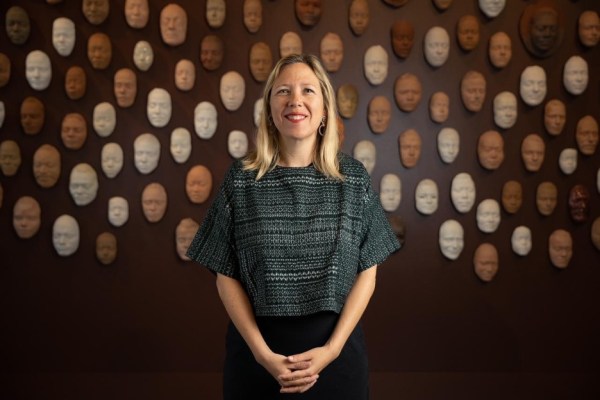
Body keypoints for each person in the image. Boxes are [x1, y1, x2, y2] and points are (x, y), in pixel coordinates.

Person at [187, 54, 400, 399]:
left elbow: (368, 270)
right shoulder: (241, 181)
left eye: (308, 91)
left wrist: (331, 350)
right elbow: (224, 273)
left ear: (326, 108)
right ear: (270, 109)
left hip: (337, 361)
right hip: (258, 364)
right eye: (283, 91)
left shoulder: (353, 179)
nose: (295, 100)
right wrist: (262, 355)